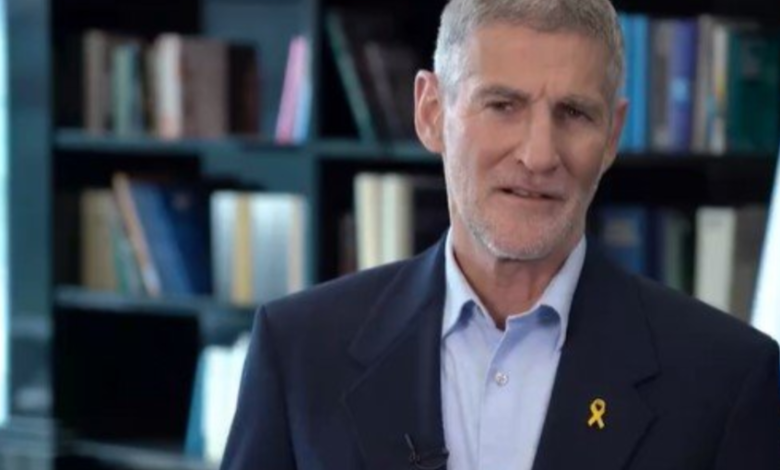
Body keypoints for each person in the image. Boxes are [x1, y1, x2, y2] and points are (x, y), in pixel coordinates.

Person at [220, 0, 780, 468]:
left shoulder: (727, 380)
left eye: (574, 113)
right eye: (503, 105)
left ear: (612, 136)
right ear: (431, 112)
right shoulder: (298, 352)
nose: (539, 155)